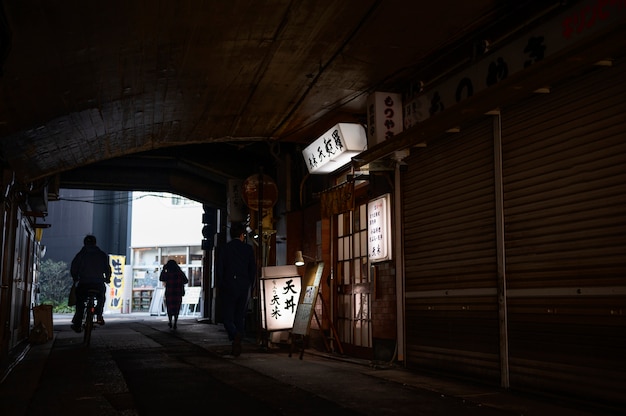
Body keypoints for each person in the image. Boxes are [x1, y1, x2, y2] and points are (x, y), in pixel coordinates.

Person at [216, 222, 256, 356]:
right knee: (239, 316)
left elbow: (220, 269)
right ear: (242, 235)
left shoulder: (225, 249)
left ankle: (235, 335)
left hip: (228, 286)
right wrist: (251, 285)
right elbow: (252, 270)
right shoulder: (248, 249)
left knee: (227, 317)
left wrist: (221, 284)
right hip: (244, 286)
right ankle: (237, 341)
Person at [70, 235, 111, 332]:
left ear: (84, 243)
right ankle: (99, 315)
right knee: (101, 296)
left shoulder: (80, 254)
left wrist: (75, 278)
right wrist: (107, 278)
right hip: (98, 283)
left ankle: (77, 323)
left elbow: (74, 268)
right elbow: (107, 268)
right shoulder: (101, 254)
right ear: (95, 243)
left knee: (80, 301)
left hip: (84, 283)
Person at [159, 259, 189, 329]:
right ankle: (175, 322)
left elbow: (161, 278)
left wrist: (164, 269)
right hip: (178, 293)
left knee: (169, 307)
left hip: (169, 293)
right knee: (176, 308)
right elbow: (186, 280)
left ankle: (170, 321)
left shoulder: (168, 274)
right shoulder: (179, 273)